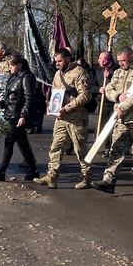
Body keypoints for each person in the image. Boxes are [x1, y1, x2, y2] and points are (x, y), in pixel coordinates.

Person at [93, 48, 133, 195]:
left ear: (131, 56)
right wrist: (117, 97)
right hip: (121, 120)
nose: (121, 63)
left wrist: (123, 107)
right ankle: (109, 180)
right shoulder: (118, 72)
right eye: (119, 61)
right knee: (116, 150)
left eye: (124, 60)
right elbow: (108, 89)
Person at [35, 48, 95, 189]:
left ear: (68, 58)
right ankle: (51, 176)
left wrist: (67, 108)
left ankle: (86, 177)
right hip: (61, 118)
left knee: (80, 150)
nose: (57, 64)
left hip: (76, 118)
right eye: (55, 61)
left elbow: (86, 96)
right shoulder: (57, 74)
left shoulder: (79, 73)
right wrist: (52, 106)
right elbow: (56, 94)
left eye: (60, 61)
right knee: (56, 147)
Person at [0, 54, 40, 181]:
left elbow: (29, 98)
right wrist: (4, 103)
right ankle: (33, 170)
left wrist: (23, 115)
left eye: (12, 65)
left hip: (17, 116)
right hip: (11, 114)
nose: (9, 68)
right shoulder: (14, 77)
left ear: (19, 65)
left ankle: (2, 171)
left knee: (9, 142)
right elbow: (11, 96)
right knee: (22, 144)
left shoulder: (26, 78)